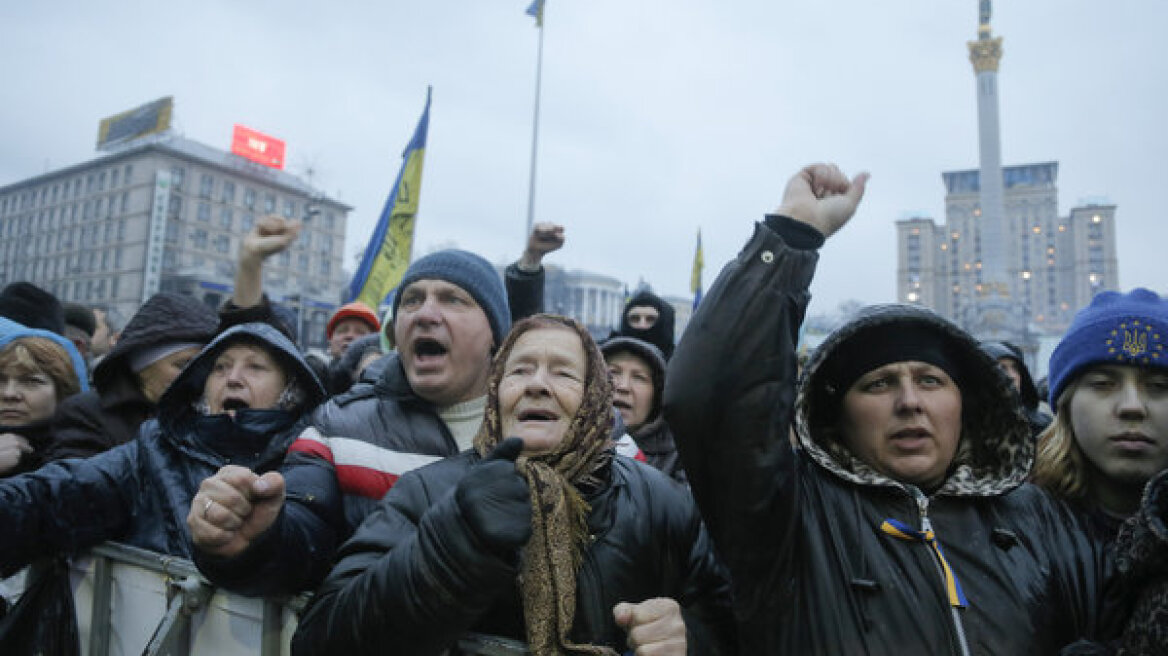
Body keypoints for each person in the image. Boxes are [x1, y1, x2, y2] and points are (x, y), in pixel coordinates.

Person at [664, 163, 1119, 653]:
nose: (909, 402)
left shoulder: (1039, 520)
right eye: (878, 384)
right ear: (836, 415)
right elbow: (714, 398)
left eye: (930, 381)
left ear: (966, 404)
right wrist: (792, 234)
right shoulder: (792, 519)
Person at [289, 314, 735, 655]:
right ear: (497, 394)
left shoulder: (663, 502)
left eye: (562, 373)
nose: (537, 385)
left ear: (595, 398)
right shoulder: (427, 493)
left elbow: (730, 627)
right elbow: (321, 640)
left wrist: (689, 640)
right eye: (520, 371)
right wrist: (451, 546)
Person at [190, 247, 531, 596]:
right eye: (411, 300)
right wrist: (256, 539)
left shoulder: (537, 430)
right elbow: (303, 537)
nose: (425, 314)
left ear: (495, 333)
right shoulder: (336, 428)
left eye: (453, 300)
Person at [0, 321, 325, 573]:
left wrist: (259, 540)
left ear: (291, 390)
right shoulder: (155, 449)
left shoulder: (311, 454)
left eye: (256, 367)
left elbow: (307, 546)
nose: (233, 378)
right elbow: (54, 495)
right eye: (220, 367)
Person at [1032, 288, 1168, 534]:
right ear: (1066, 405)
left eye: (1158, 386)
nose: (1132, 406)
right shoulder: (1007, 530)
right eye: (1103, 384)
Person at [44, 293, 219, 461]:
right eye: (183, 365)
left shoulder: (209, 417)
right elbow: (74, 478)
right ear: (143, 367)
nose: (197, 375)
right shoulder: (85, 414)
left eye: (207, 366)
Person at [0, 317, 88, 477]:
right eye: (0, 381)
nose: (9, 394)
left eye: (31, 381)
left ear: (63, 392)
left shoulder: (87, 459)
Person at [601, 336, 686, 484]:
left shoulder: (679, 458)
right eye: (613, 373)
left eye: (639, 377)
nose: (623, 386)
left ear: (657, 395)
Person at [980, 340, 1052, 438]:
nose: (1013, 376)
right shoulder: (965, 427)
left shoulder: (1043, 427)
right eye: (1001, 368)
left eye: (1016, 368)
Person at [613, 289, 676, 360]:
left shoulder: (680, 362)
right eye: (635, 319)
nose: (641, 325)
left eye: (650, 319)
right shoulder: (606, 355)